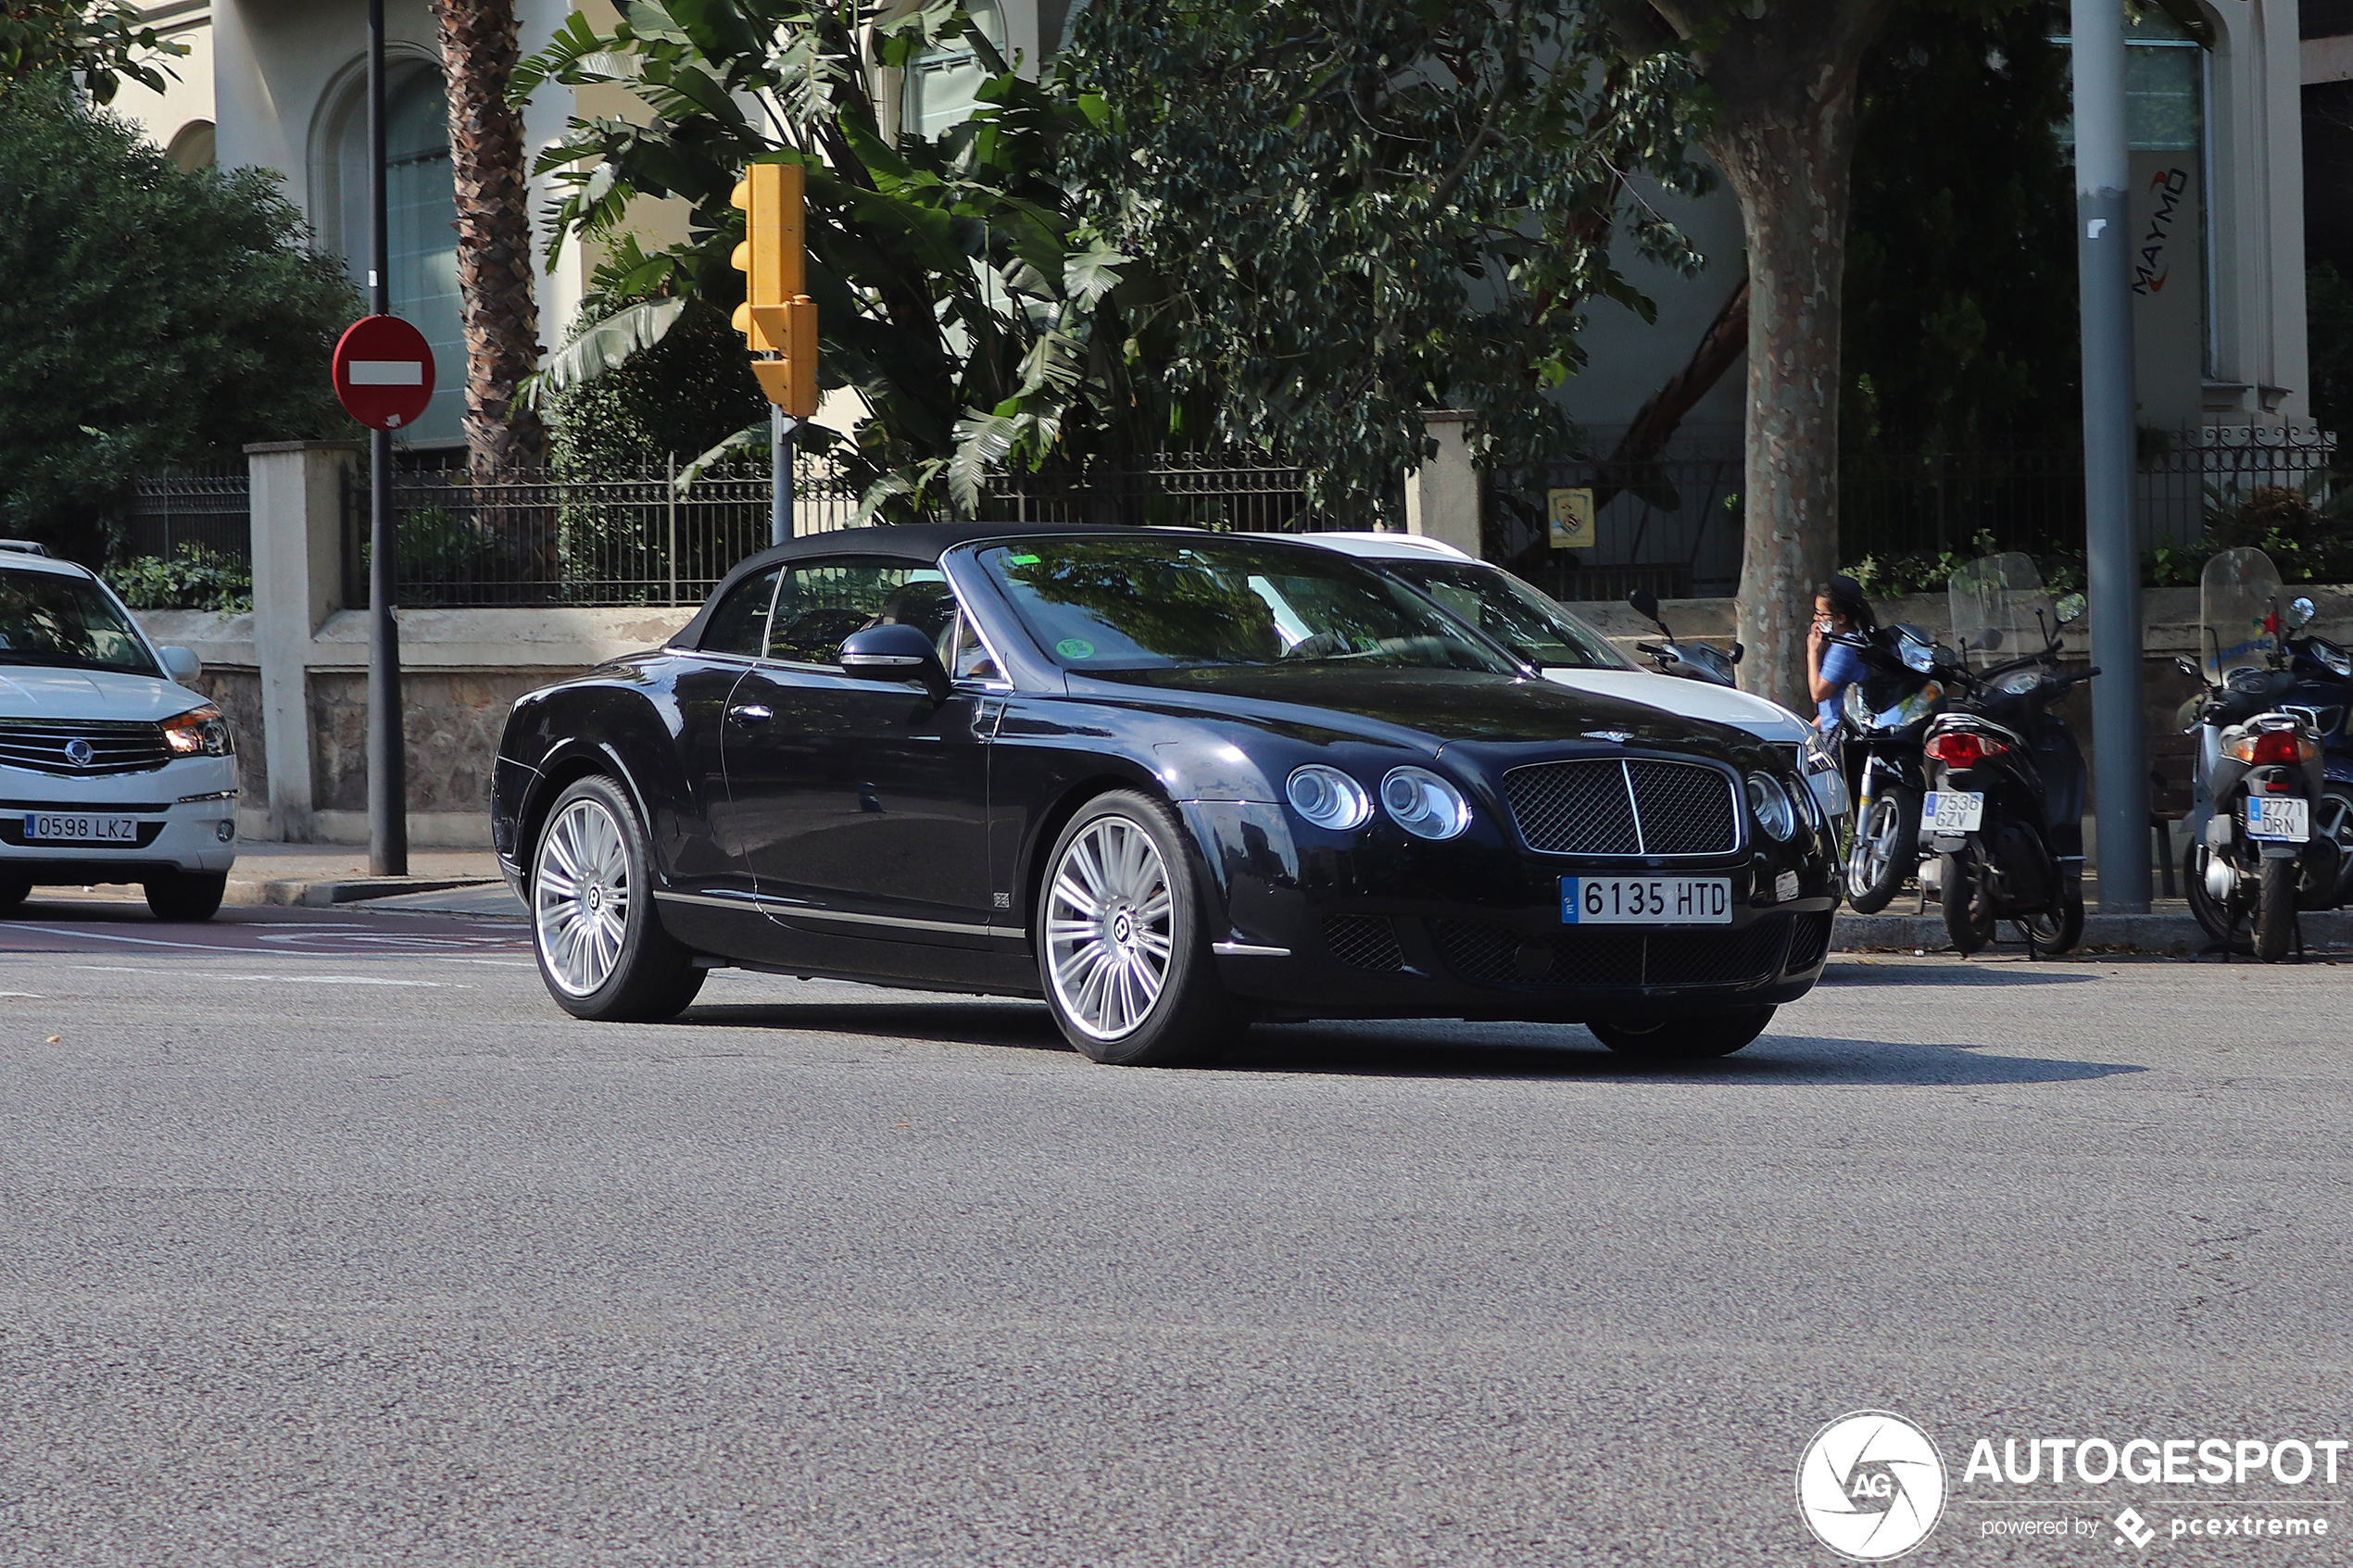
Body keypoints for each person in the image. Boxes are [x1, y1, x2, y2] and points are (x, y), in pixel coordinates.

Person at [1806, 577, 1873, 733]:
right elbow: (1831, 708)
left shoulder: (1844, 648)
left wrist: (1812, 652)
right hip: (1834, 726)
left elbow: (1818, 694)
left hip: (1839, 732)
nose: (1816, 619)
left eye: (1821, 614)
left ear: (1841, 618)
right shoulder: (1851, 641)